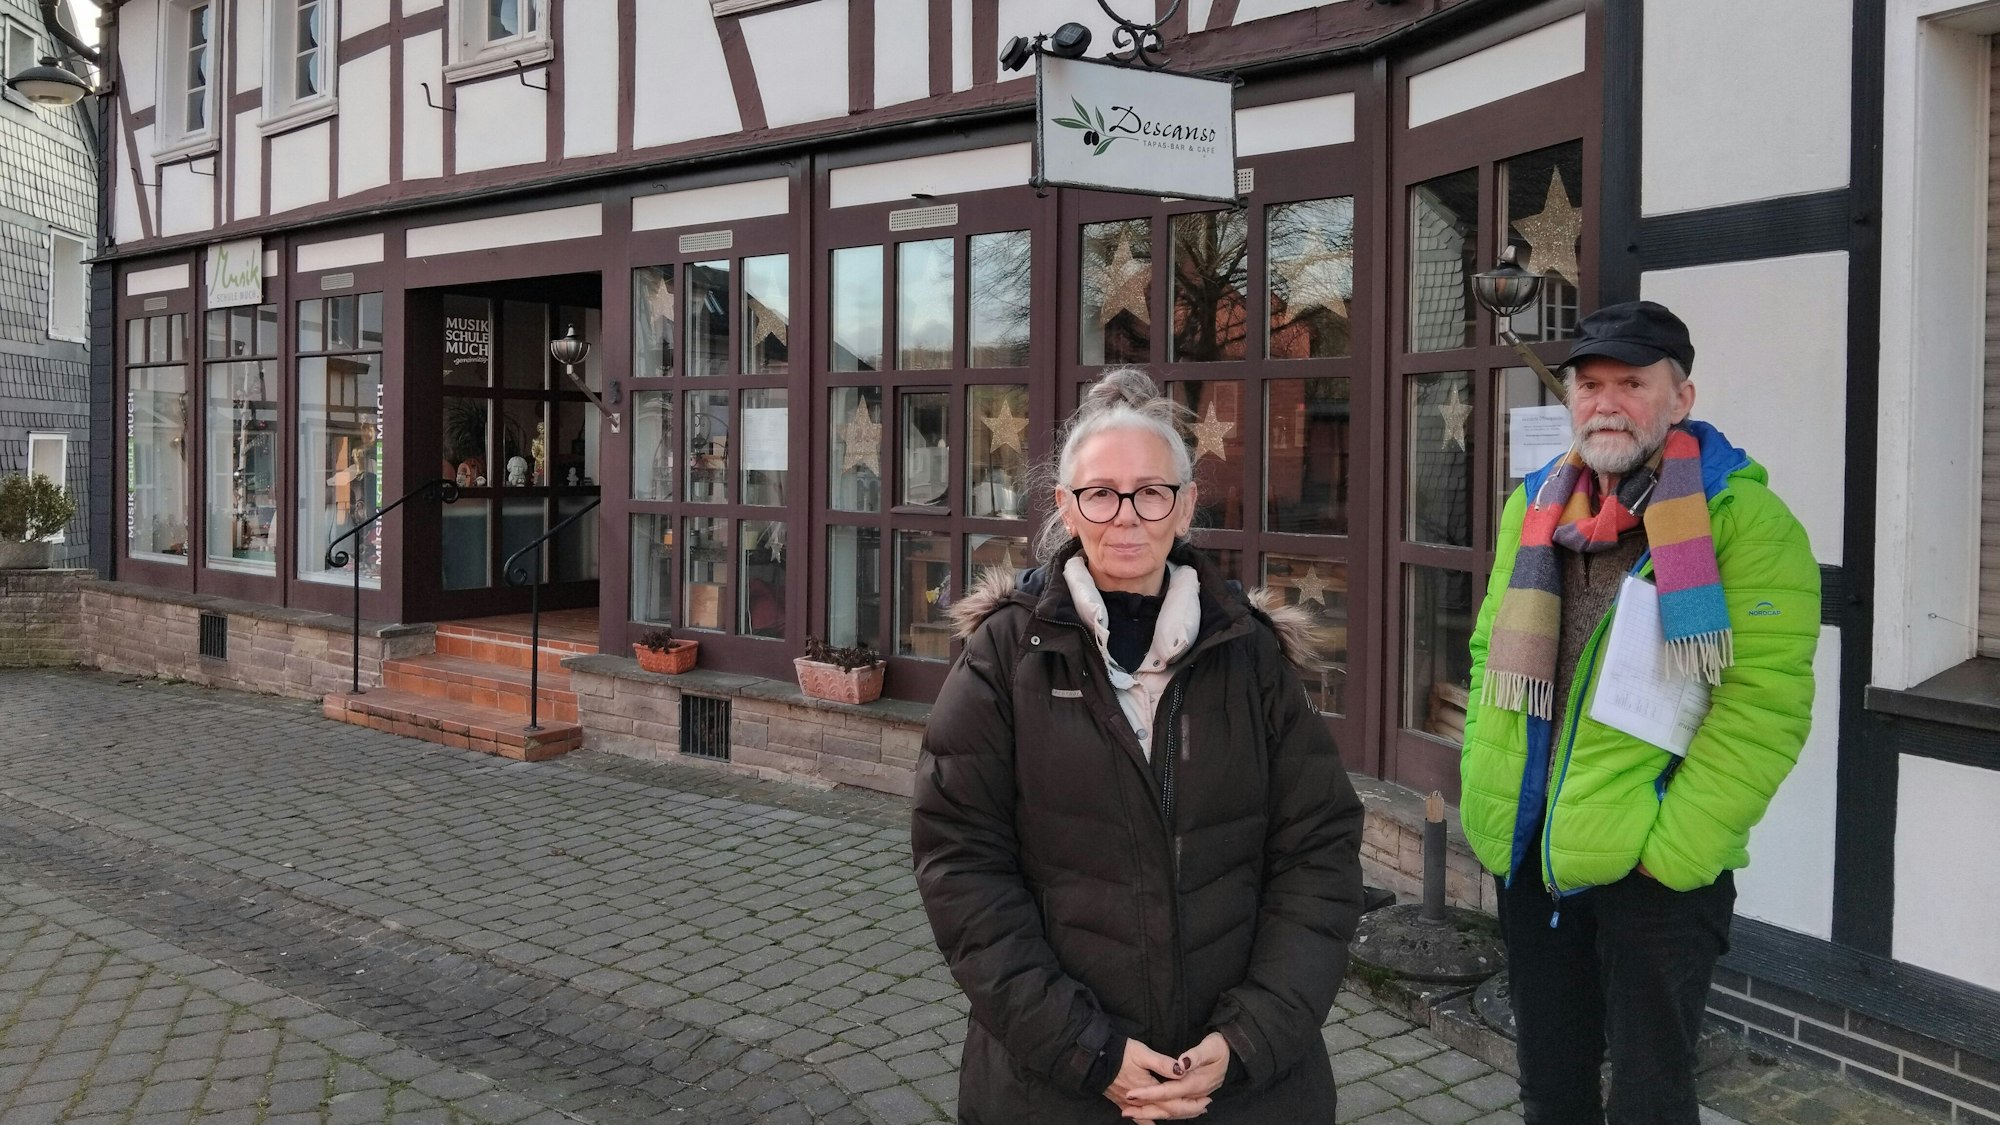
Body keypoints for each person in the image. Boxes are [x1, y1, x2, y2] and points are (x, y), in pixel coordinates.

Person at [911, 368, 1365, 1123]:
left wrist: (1252, 1035)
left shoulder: (1248, 655)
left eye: (1151, 491)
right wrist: (1087, 1049)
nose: (1126, 515)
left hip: (1245, 1090)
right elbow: (960, 863)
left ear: (1185, 505)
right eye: (1100, 492)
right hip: (1054, 1088)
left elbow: (1318, 850)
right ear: (1065, 505)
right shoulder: (1006, 655)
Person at [1460, 301, 1820, 1125]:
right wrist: (1488, 774)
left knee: (1651, 1100)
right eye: (1590, 384)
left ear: (1680, 396)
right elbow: (1488, 654)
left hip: (1652, 873)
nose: (1607, 402)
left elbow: (1762, 711)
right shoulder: (1538, 505)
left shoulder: (1745, 524)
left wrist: (1668, 848)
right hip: (1533, 849)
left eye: (1633, 382)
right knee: (1552, 1088)